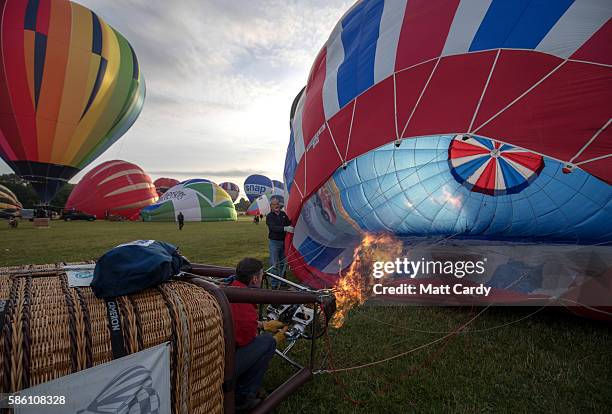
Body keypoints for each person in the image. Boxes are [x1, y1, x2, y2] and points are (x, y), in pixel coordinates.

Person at [229, 258, 286, 411]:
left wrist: (262, 324)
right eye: (261, 276)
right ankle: (243, 397)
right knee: (267, 342)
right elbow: (247, 342)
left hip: (218, 356)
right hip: (225, 367)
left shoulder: (231, 289)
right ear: (254, 279)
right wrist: (274, 339)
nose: (262, 279)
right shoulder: (245, 310)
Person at [265, 197, 293, 289]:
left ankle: (282, 282)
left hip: (284, 242)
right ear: (271, 206)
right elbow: (273, 228)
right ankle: (274, 285)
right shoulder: (269, 216)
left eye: (277, 204)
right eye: (274, 204)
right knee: (274, 264)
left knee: (282, 263)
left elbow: (289, 223)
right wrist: (285, 228)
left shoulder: (283, 214)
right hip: (274, 243)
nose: (276, 206)